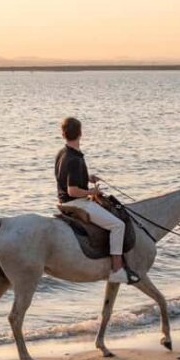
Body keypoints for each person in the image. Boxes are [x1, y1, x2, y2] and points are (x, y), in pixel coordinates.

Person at [55, 117, 130, 284]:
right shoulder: (74, 159)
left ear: (63, 134)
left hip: (64, 201)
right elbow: (72, 190)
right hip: (76, 203)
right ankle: (117, 269)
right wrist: (92, 191)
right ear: (80, 133)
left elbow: (65, 177)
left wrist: (87, 177)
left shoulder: (63, 153)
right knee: (118, 225)